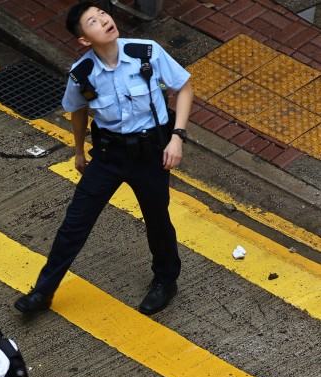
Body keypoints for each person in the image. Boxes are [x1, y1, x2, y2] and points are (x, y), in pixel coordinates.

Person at [14, 2, 193, 316]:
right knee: (75, 223)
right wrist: (79, 151)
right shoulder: (82, 73)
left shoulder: (146, 52)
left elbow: (185, 87)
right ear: (85, 39)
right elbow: (78, 110)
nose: (104, 21)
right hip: (109, 155)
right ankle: (43, 292)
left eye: (103, 14)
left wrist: (177, 137)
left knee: (157, 220)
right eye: (93, 22)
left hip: (152, 153)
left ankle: (166, 280)